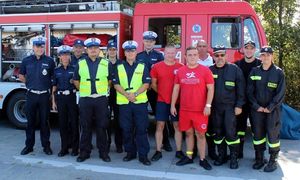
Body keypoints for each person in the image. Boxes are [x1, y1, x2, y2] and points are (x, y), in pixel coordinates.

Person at [171, 46, 214, 170]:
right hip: (185, 110)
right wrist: (173, 105)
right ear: (185, 57)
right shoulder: (180, 71)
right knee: (189, 133)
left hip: (200, 110)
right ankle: (189, 157)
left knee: (200, 134)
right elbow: (176, 88)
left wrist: (208, 105)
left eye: (195, 55)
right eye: (190, 55)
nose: (192, 57)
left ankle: (202, 159)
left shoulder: (205, 70)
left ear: (198, 56)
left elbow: (211, 88)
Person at [73, 38, 112, 163]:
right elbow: (76, 80)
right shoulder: (81, 63)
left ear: (99, 49)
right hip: (86, 100)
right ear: (87, 50)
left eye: (95, 47)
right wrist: (86, 91)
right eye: (90, 48)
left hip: (101, 100)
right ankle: (84, 153)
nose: (93, 50)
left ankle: (103, 153)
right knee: (85, 127)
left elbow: (110, 81)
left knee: (102, 127)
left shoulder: (106, 63)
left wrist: (101, 90)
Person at [113, 40, 151, 166]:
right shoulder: (118, 67)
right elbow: (116, 84)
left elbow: (146, 84)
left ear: (136, 52)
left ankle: (143, 155)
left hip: (139, 103)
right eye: (128, 51)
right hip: (124, 103)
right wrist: (127, 95)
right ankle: (130, 153)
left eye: (133, 50)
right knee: (126, 129)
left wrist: (134, 94)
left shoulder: (142, 65)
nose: (130, 53)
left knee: (141, 129)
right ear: (124, 52)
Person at [247, 46, 285, 172]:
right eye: (263, 55)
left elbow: (280, 93)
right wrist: (256, 106)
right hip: (257, 110)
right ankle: (259, 159)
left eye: (268, 55)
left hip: (272, 111)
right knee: (258, 135)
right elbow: (249, 91)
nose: (265, 57)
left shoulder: (279, 73)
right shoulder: (254, 71)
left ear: (272, 56)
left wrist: (270, 107)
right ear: (260, 57)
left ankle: (272, 161)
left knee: (273, 136)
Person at [209, 46, 245, 169]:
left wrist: (239, 105)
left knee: (231, 133)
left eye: (222, 55)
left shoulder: (234, 69)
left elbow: (241, 89)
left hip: (230, 107)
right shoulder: (209, 70)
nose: (219, 58)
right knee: (218, 132)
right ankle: (222, 156)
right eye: (217, 55)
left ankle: (234, 158)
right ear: (213, 57)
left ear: (226, 56)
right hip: (215, 108)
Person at [137, 30, 172, 152]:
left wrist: (153, 85)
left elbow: (161, 73)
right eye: (146, 41)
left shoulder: (159, 56)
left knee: (160, 117)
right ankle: (140, 142)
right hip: (141, 90)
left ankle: (166, 142)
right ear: (143, 42)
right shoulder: (138, 56)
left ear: (154, 42)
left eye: (151, 41)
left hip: (154, 90)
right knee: (141, 116)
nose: (148, 43)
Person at [19, 37, 55, 155]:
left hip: (44, 96)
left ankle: (46, 146)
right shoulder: (26, 60)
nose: (40, 48)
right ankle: (29, 146)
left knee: (45, 122)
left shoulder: (50, 61)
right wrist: (29, 84)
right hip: (31, 95)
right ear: (33, 47)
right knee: (30, 122)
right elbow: (21, 75)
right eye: (37, 46)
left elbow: (53, 78)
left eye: (42, 46)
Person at [150, 44, 184, 162]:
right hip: (162, 101)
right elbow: (153, 84)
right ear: (164, 53)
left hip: (177, 102)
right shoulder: (156, 67)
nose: (170, 55)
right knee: (160, 126)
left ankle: (179, 151)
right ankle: (158, 151)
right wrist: (162, 94)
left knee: (177, 126)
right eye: (168, 53)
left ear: (176, 53)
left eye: (172, 53)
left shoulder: (181, 67)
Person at [235, 40, 261, 158]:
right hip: (241, 102)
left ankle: (258, 156)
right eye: (247, 48)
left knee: (257, 128)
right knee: (240, 128)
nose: (249, 50)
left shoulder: (260, 64)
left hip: (256, 103)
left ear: (254, 50)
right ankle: (239, 152)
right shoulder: (237, 65)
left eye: (251, 48)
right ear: (243, 50)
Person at [52, 45, 79, 157]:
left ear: (70, 56)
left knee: (74, 123)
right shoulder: (56, 70)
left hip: (72, 98)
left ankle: (75, 148)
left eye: (67, 54)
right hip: (61, 98)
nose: (65, 57)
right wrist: (53, 102)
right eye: (63, 55)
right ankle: (64, 148)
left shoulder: (75, 68)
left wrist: (75, 82)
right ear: (59, 56)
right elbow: (54, 87)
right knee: (62, 124)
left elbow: (79, 85)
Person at [196, 39, 217, 160]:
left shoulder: (213, 61)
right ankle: (193, 151)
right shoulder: (191, 61)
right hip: (197, 99)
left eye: (204, 46)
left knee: (211, 127)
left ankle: (211, 151)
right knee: (196, 128)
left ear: (207, 47)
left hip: (210, 98)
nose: (202, 48)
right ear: (197, 47)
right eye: (199, 46)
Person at [106, 41, 123, 153]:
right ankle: (107, 144)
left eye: (114, 49)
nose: (112, 51)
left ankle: (119, 144)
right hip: (106, 95)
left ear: (117, 51)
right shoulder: (102, 63)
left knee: (118, 121)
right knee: (106, 121)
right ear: (107, 51)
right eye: (110, 49)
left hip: (119, 95)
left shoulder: (122, 63)